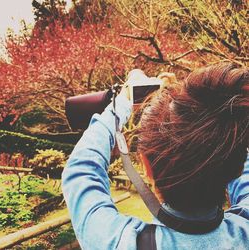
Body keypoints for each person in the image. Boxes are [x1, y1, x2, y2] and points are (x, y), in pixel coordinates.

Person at [62, 63, 249, 250]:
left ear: (146, 165)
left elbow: (82, 169)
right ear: (236, 168)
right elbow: (236, 150)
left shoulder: (118, 242)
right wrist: (196, 117)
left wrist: (123, 102)